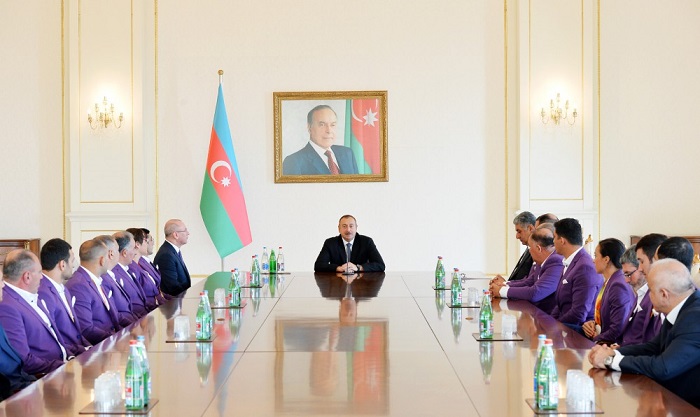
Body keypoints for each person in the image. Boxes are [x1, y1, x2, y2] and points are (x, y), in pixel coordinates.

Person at [588, 258, 700, 408]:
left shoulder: (695, 318)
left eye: (650, 291)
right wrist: (613, 353)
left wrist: (609, 361)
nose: (648, 296)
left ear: (664, 294)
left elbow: (663, 368)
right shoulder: (683, 307)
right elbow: (653, 347)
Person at [0, 250, 68, 375]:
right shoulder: (7, 306)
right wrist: (64, 366)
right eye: (39, 272)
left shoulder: (33, 295)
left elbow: (55, 338)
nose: (42, 277)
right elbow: (24, 360)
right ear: (27, 277)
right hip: (44, 378)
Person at [490, 226, 564, 315]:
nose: (529, 251)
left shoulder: (556, 261)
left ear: (538, 248)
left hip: (549, 318)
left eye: (530, 247)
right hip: (535, 313)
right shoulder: (543, 259)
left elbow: (536, 293)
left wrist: (501, 291)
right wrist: (503, 285)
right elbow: (529, 282)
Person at [38, 238, 91, 357]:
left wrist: (90, 349)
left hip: (78, 352)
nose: (74, 265)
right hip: (64, 358)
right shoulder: (43, 293)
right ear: (62, 264)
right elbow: (52, 338)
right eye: (72, 261)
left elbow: (76, 333)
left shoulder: (63, 288)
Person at [550, 218, 603, 329]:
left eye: (554, 237)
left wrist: (553, 326)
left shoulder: (585, 267)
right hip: (564, 326)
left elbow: (578, 313)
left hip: (578, 330)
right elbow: (560, 305)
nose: (553, 242)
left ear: (562, 240)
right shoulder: (571, 261)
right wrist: (549, 322)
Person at [65, 239, 121, 345]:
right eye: (106, 257)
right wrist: (116, 339)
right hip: (98, 349)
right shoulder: (78, 285)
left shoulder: (97, 279)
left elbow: (115, 314)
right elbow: (86, 329)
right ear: (102, 260)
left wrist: (131, 331)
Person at [581, 238, 635, 345]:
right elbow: (605, 316)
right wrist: (592, 324)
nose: (593, 260)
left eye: (596, 256)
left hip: (610, 346)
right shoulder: (610, 280)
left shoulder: (618, 285)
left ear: (606, 259)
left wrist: (594, 339)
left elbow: (617, 328)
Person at [282, 105, 359, 175]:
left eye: (332, 125)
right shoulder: (294, 162)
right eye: (322, 125)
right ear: (309, 128)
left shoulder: (347, 153)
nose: (329, 130)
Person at [619, 233, 667, 346]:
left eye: (641, 261)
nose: (640, 268)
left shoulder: (657, 295)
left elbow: (653, 344)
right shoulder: (642, 292)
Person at [0, 273, 36, 400]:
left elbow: (16, 366)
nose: (3, 285)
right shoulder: (7, 308)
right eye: (0, 281)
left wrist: (34, 383)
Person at [314, 215, 385, 272]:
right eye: (344, 226)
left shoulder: (366, 242)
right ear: (339, 228)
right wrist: (338, 268)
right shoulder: (330, 243)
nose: (348, 230)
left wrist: (358, 268)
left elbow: (380, 265)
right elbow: (318, 265)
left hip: (361, 284)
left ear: (356, 227)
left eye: (351, 226)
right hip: (338, 284)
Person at [94, 235, 138, 327]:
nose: (120, 253)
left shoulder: (111, 275)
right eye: (118, 250)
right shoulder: (103, 279)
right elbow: (114, 315)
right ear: (111, 254)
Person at [110, 231, 148, 318]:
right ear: (124, 252)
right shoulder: (114, 274)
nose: (136, 252)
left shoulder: (127, 269)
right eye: (134, 248)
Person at [490, 211, 536, 283]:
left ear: (530, 228)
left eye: (519, 231)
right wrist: (504, 284)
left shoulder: (537, 252)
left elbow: (530, 283)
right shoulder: (528, 249)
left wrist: (505, 285)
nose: (517, 236)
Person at [127, 227, 166, 309]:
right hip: (145, 311)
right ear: (137, 244)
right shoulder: (131, 267)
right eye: (145, 240)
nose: (148, 243)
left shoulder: (141, 263)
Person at [154, 219, 192, 296]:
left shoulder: (172, 251)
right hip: (173, 305)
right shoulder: (166, 255)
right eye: (185, 230)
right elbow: (173, 287)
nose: (188, 233)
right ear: (175, 235)